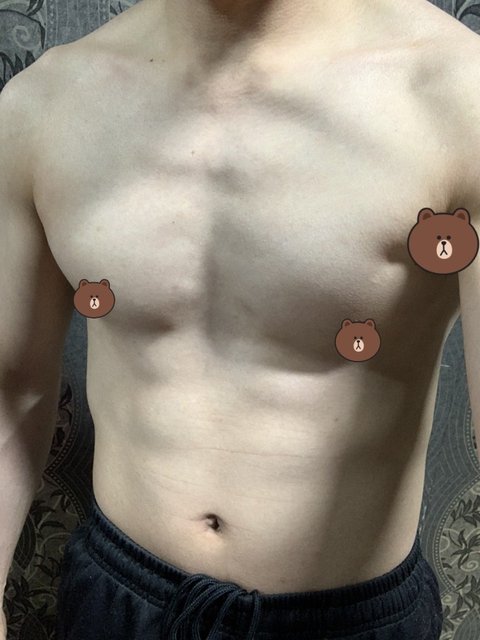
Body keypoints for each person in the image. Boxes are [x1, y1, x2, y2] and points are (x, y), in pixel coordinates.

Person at [1, 0, 479, 638]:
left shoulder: (458, 98)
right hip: (115, 601)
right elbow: (12, 388)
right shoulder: (46, 103)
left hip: (345, 621)